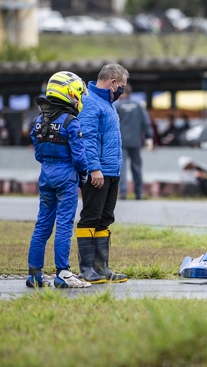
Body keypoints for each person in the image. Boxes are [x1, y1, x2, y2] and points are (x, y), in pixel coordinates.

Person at [26, 71, 90, 289]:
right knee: (64, 224)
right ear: (70, 93)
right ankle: (63, 274)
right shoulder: (71, 121)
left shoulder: (37, 120)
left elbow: (38, 154)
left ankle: (34, 274)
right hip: (66, 176)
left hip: (46, 175)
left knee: (43, 224)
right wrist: (83, 173)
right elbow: (79, 156)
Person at [76, 63, 129, 284]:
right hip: (98, 173)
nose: (122, 91)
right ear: (113, 82)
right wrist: (94, 168)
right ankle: (86, 269)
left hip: (112, 171)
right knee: (90, 217)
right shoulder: (90, 102)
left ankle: (101, 268)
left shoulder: (108, 104)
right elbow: (87, 139)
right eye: (122, 86)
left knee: (105, 219)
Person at [115, 84, 153, 200]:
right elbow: (145, 122)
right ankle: (138, 193)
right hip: (136, 142)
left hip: (121, 142)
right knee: (137, 167)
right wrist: (149, 136)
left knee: (122, 168)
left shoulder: (117, 105)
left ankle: (123, 193)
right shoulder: (138, 106)